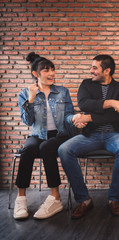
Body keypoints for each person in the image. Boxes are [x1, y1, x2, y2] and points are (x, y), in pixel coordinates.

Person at [58, 55, 119, 218]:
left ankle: (113, 199)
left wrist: (89, 117)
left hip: (115, 134)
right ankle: (84, 200)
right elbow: (84, 104)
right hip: (90, 134)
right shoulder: (86, 84)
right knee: (64, 149)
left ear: (106, 71)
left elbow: (117, 117)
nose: (91, 71)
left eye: (94, 68)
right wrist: (112, 103)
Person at [15, 52, 75, 220]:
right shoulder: (25, 93)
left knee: (46, 147)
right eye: (46, 70)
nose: (51, 74)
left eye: (53, 69)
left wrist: (76, 118)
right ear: (36, 74)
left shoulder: (62, 91)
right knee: (28, 149)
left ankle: (55, 198)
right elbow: (28, 121)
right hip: (37, 134)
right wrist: (31, 99)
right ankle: (21, 198)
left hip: (60, 134)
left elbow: (68, 115)